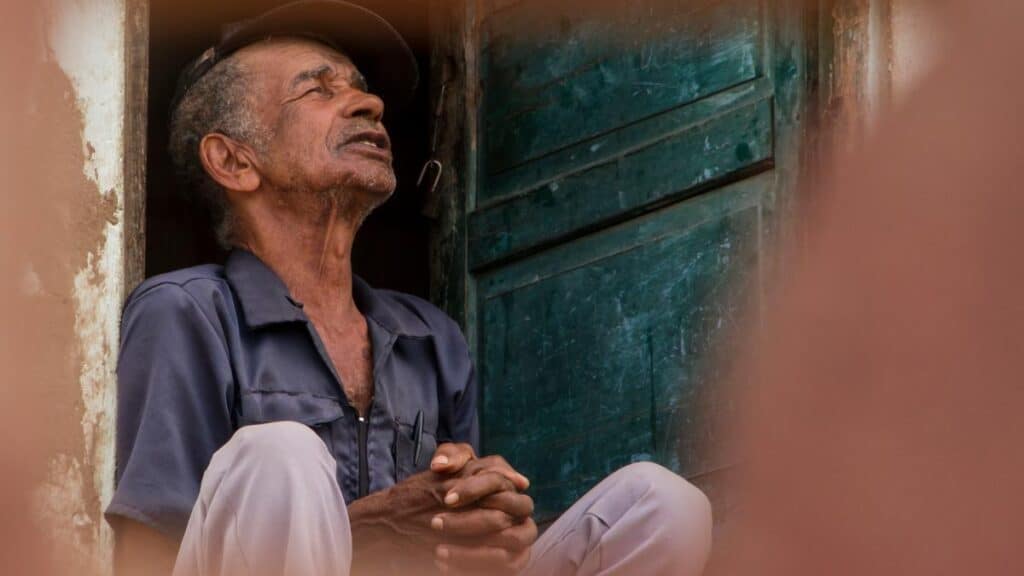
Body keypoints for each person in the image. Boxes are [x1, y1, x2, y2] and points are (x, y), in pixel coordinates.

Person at [106, 2, 712, 575]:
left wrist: (485, 527)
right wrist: (369, 531)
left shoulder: (430, 337)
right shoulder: (186, 312)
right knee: (277, 456)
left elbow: (449, 538)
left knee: (660, 505)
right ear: (234, 162)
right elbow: (147, 555)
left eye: (360, 86)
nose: (369, 102)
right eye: (320, 88)